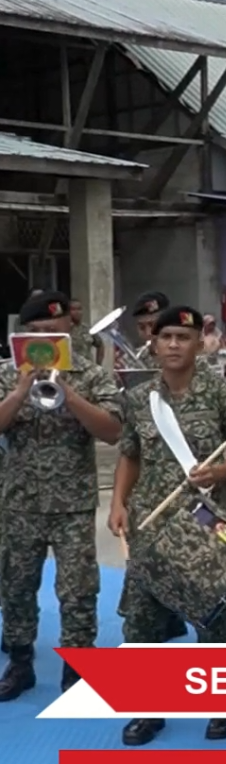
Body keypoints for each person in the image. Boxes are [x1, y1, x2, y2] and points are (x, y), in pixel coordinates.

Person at [108, 305, 226, 747]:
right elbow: (130, 454)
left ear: (198, 344)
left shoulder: (222, 394)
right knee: (142, 619)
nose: (174, 344)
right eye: (166, 337)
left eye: (183, 337)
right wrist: (118, 501)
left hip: (209, 523)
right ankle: (147, 708)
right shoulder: (138, 398)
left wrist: (219, 473)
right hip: (151, 523)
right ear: (154, 344)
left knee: (215, 616)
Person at [0, 290, 123, 702]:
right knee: (16, 585)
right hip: (19, 502)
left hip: (72, 502)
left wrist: (67, 391)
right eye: (35, 333)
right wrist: (19, 391)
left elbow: (112, 432)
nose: (44, 339)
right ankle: (20, 662)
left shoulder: (91, 375)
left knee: (77, 589)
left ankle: (77, 666)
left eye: (52, 333)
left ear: (69, 331)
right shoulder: (5, 373)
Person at [69, 299, 104, 366]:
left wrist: (99, 365)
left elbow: (100, 345)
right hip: (71, 370)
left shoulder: (88, 329)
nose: (77, 312)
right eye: (73, 309)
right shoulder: (65, 330)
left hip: (88, 369)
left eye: (79, 309)